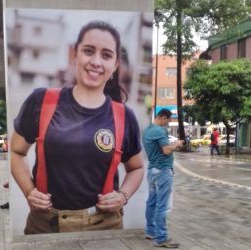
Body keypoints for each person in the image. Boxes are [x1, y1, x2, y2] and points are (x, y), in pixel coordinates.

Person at [11, 21, 144, 234]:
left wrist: (123, 196)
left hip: (104, 226)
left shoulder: (124, 116)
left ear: (115, 65)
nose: (96, 61)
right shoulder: (41, 101)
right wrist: (29, 191)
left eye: (106, 55)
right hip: (45, 225)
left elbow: (136, 168)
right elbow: (17, 152)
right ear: (74, 54)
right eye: (88, 51)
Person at [142, 108, 184, 248]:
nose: (167, 123)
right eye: (168, 120)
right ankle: (161, 238)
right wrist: (177, 144)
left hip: (152, 170)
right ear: (163, 118)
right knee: (163, 205)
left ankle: (150, 231)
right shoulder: (160, 131)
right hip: (162, 170)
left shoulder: (147, 130)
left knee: (152, 202)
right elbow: (166, 150)